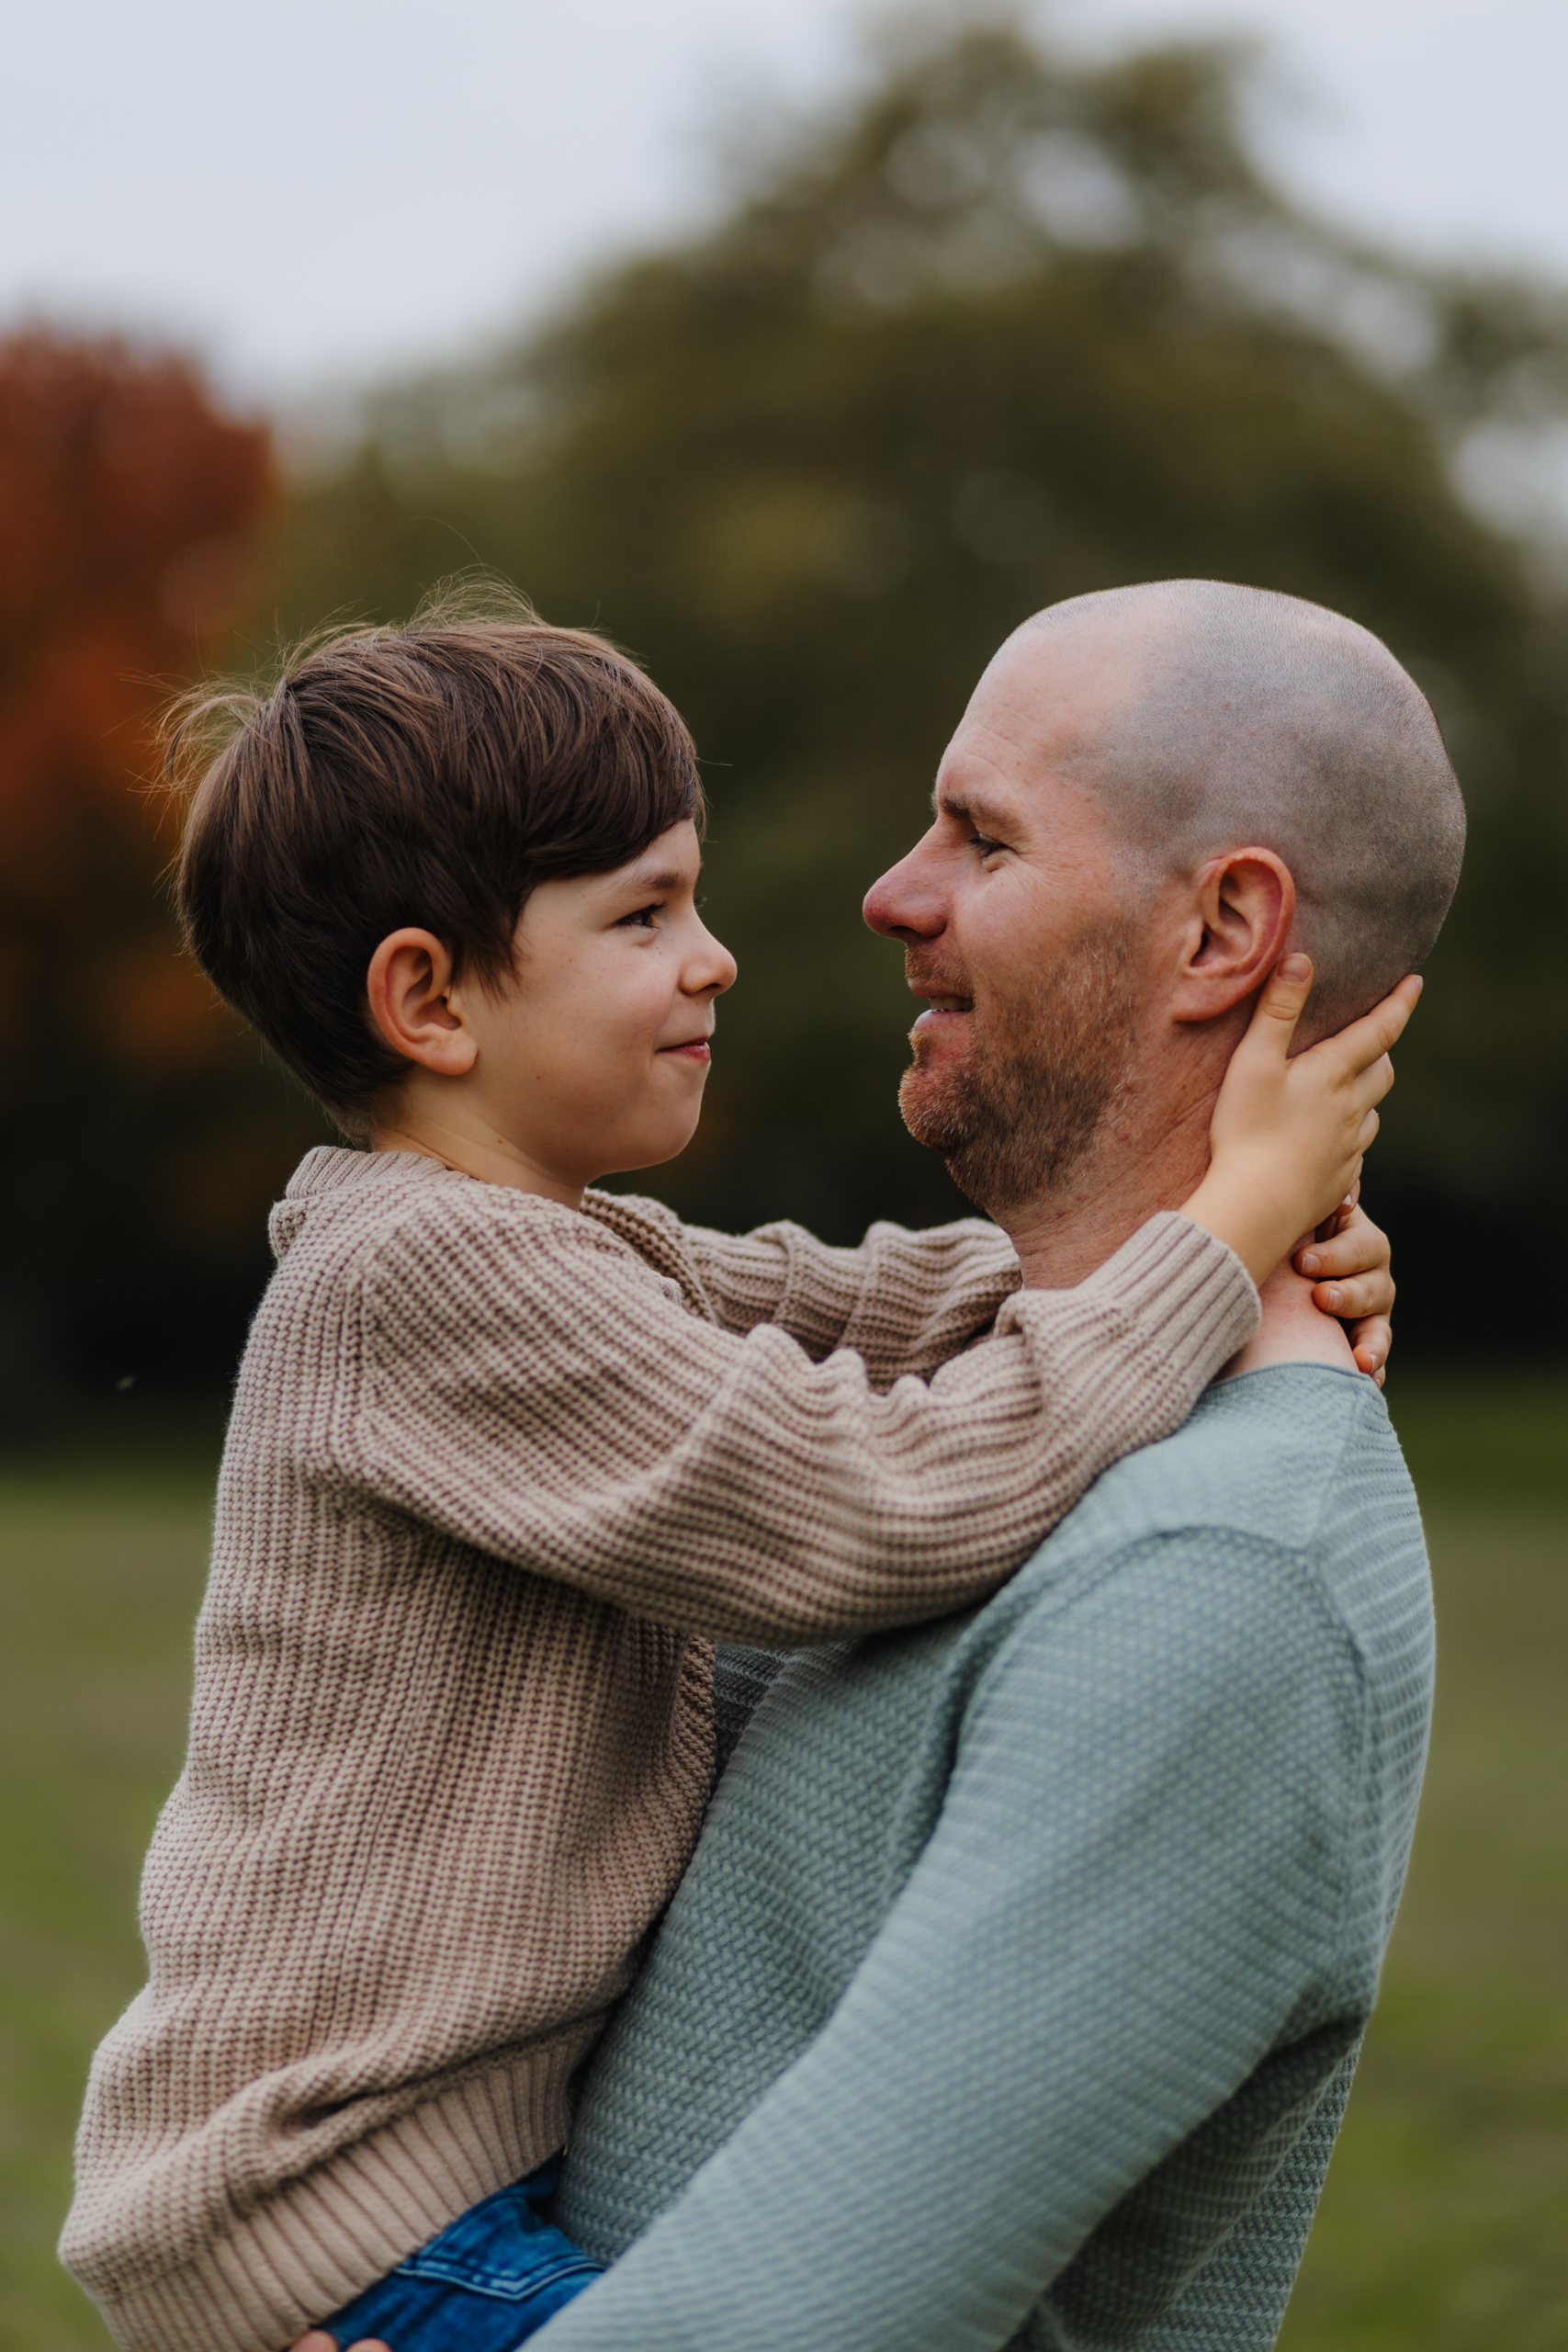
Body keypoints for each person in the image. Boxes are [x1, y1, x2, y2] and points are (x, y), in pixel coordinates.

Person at [58, 595, 1404, 2352]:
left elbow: (878, 1305)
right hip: (342, 2219)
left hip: (425, 2191)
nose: (718, 956)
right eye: (642, 915)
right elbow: (869, 1501)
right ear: (431, 997)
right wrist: (1220, 1240)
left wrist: (1248, 1247)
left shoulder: (570, 1251)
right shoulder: (427, 1282)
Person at [491, 580, 1458, 2350]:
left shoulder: (1220, 1581)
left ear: (1222, 930)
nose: (891, 893)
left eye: (981, 837)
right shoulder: (975, 1406)